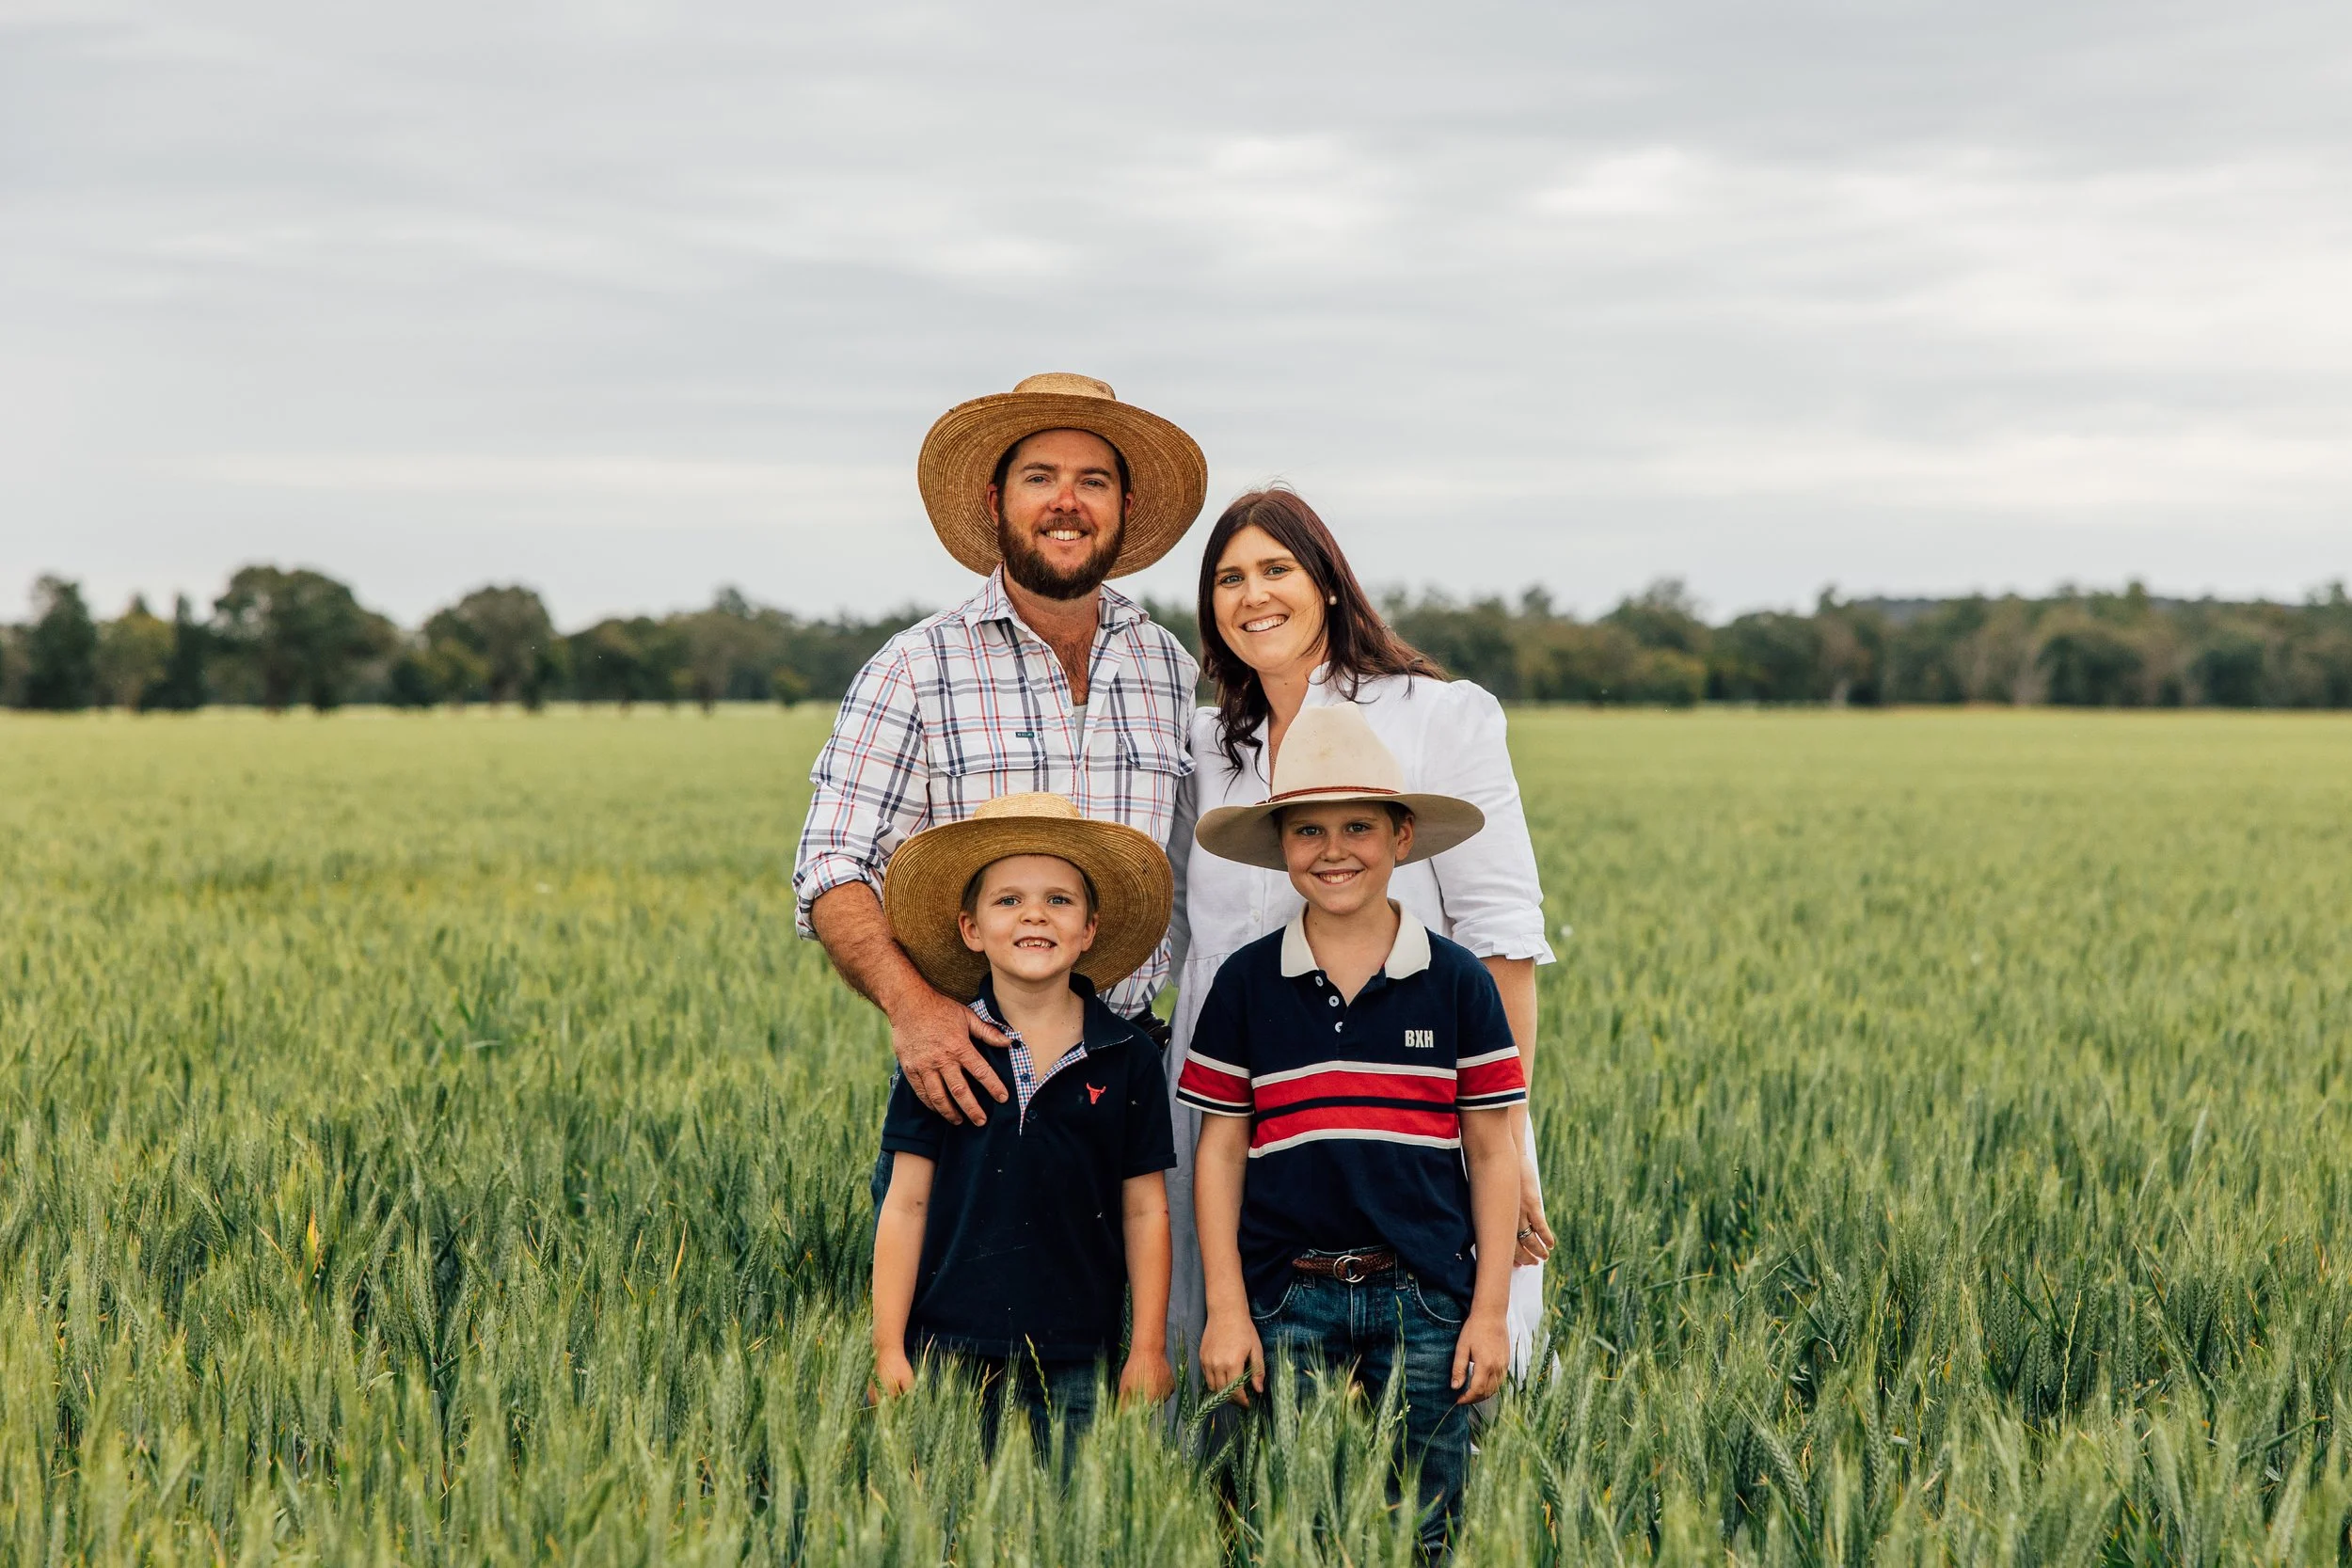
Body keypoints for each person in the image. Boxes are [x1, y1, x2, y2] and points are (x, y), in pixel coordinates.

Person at [1166, 487, 1556, 1373]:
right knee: (1235, 1393)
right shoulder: (1206, 748)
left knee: (1447, 1386)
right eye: (1228, 578)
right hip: (1239, 1124)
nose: (1252, 595)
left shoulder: (1439, 718)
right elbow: (1186, 940)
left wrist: (1505, 1134)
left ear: (1330, 585)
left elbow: (1501, 935)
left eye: (1276, 569)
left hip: (1411, 1122)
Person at [793, 373, 1204, 1200]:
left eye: (1093, 481)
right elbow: (831, 866)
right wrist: (915, 1011)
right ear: (994, 500)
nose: (1067, 502)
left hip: (1137, 1077)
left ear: (1123, 506)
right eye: (1039, 477)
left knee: (1141, 1326)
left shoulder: (1170, 667)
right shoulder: (916, 667)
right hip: (975, 1076)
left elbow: (1200, 884)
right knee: (955, 1326)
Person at [1179, 706, 1525, 1558]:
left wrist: (1488, 1315)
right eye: (1309, 830)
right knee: (1296, 1520)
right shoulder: (1246, 982)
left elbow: (1491, 1147)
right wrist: (1226, 1308)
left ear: (1402, 837)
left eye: (1359, 826)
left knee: (1430, 1525)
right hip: (1288, 1298)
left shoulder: (1456, 982)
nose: (1335, 849)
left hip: (1426, 1297)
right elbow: (1219, 1149)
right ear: (1283, 846)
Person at [870, 791, 1180, 1454]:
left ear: (1090, 928)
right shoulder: (940, 1055)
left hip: (1076, 1355)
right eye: (1008, 899)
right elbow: (906, 1204)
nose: (1034, 913)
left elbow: (1145, 1211)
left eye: (1059, 900)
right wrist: (887, 1345)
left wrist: (1147, 1346)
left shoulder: (1127, 1058)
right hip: (945, 1352)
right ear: (971, 928)